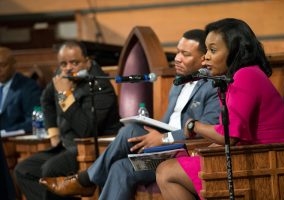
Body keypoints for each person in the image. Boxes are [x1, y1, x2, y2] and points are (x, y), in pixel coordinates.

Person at [39, 29, 220, 200]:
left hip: (186, 153)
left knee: (129, 131)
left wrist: (164, 138)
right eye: (178, 52)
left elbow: (206, 130)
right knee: (120, 168)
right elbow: (169, 122)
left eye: (185, 54)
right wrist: (152, 129)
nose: (177, 58)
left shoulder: (212, 87)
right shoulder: (178, 84)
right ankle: (86, 181)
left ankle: (85, 180)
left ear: (204, 59)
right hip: (163, 151)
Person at [155, 18, 284, 200]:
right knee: (169, 167)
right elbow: (230, 135)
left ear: (235, 51)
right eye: (206, 50)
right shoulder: (237, 77)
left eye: (213, 50)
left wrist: (193, 126)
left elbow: (228, 135)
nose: (206, 57)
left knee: (167, 172)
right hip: (254, 154)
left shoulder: (245, 75)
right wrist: (206, 149)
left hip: (269, 158)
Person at [14, 41, 122, 200]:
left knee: (50, 170)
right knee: (23, 170)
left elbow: (86, 131)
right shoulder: (62, 76)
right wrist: (53, 133)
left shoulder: (100, 86)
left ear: (88, 61)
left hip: (92, 148)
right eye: (63, 63)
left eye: (75, 62)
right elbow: (46, 99)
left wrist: (64, 94)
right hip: (65, 145)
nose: (68, 68)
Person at [0, 47, 42, 134]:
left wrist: (6, 132)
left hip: (15, 142)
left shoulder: (29, 87)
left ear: (14, 64)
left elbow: (36, 121)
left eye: (3, 65)